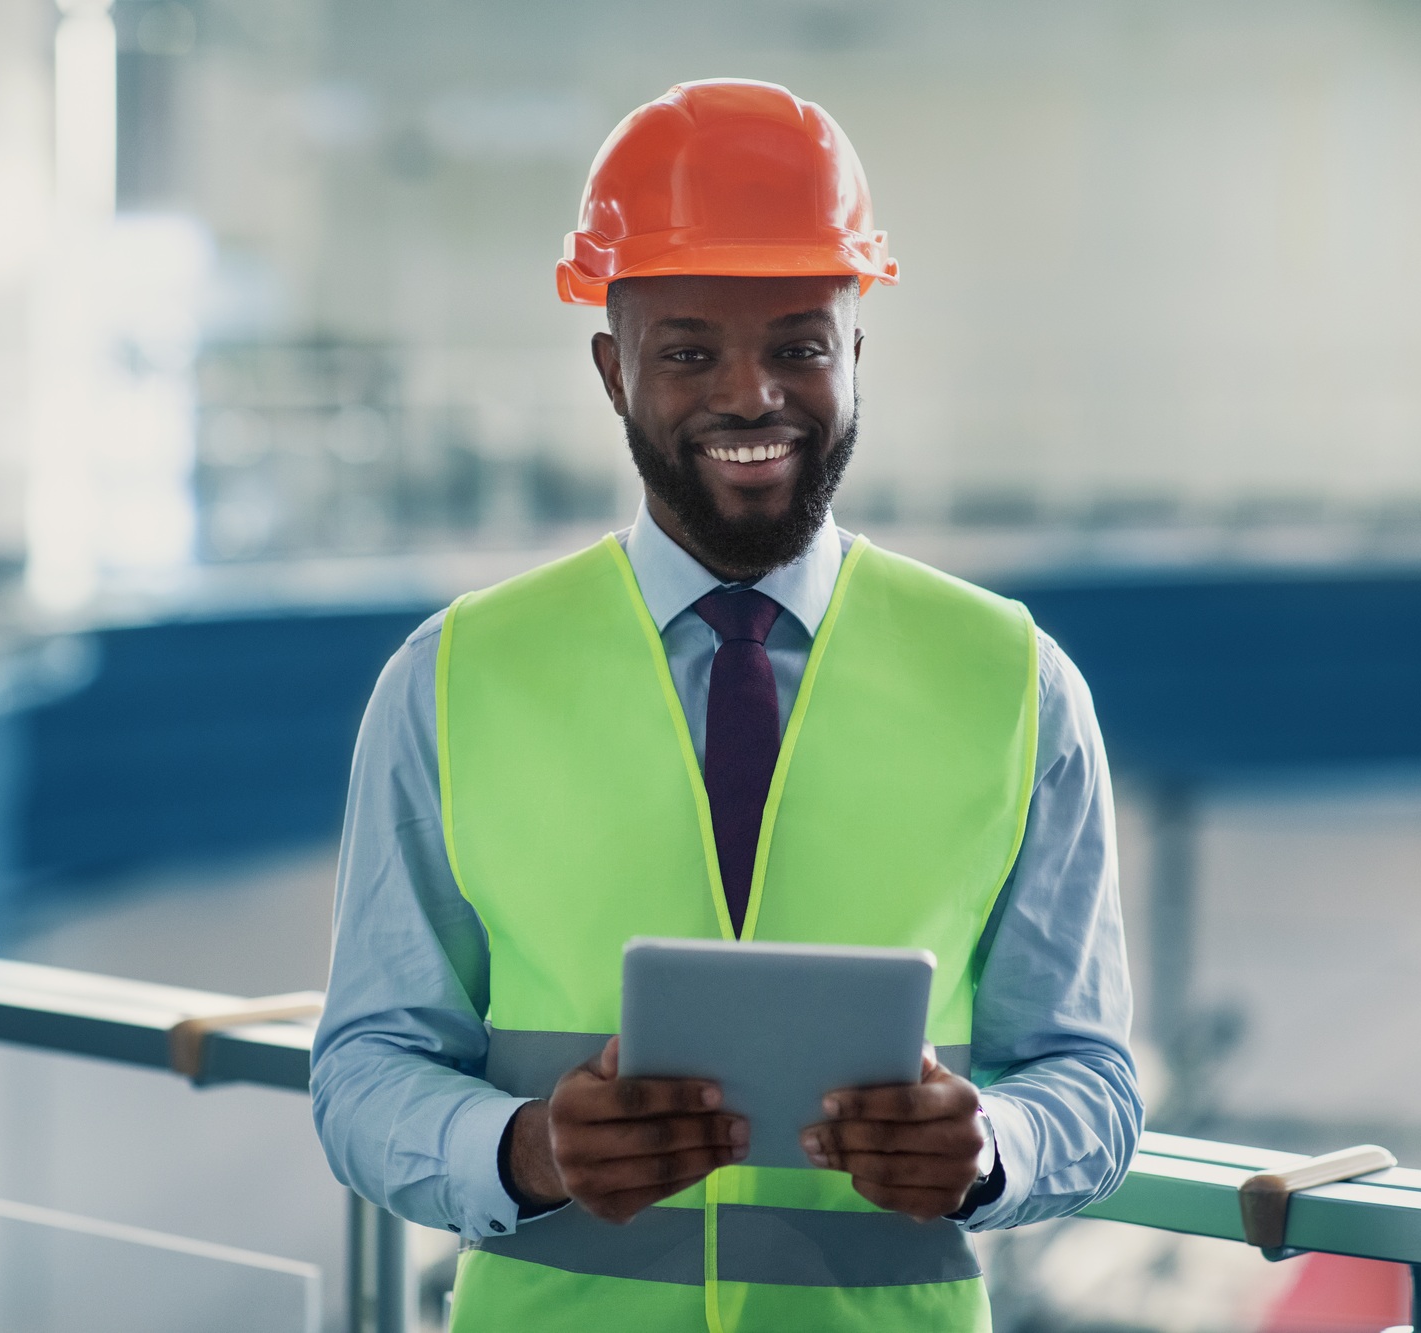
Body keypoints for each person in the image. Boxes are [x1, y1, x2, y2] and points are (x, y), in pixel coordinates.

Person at [312, 78, 1141, 1332]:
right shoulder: (450, 679)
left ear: (855, 353)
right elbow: (365, 1067)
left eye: (799, 344)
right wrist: (523, 1149)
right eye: (689, 349)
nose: (750, 395)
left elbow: (1089, 1078)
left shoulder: (1016, 685)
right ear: (612, 369)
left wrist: (992, 1151)